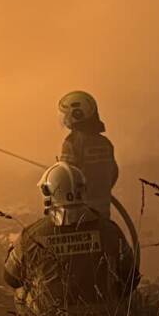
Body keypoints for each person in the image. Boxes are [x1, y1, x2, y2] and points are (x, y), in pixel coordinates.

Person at [4, 161, 138, 316]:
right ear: (82, 190)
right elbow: (131, 278)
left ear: (48, 193)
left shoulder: (31, 235)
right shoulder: (110, 230)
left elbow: (11, 278)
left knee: (21, 292)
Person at [57, 91, 118, 220]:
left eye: (66, 114)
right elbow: (113, 173)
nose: (64, 119)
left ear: (77, 113)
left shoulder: (72, 143)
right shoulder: (105, 143)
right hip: (103, 212)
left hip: (79, 213)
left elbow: (67, 178)